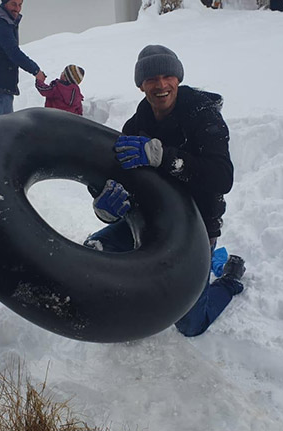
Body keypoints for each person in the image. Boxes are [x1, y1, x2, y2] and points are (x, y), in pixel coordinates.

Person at [85, 45, 246, 337]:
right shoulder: (135, 126)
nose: (161, 85)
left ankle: (229, 279)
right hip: (149, 220)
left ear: (178, 79)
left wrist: (164, 157)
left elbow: (222, 177)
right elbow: (117, 180)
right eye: (151, 79)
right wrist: (104, 206)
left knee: (189, 325)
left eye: (167, 76)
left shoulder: (204, 116)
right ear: (140, 85)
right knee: (95, 249)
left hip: (195, 228)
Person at [0, 0, 46, 116]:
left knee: (5, 114)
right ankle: (0, 133)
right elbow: (13, 53)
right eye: (13, 3)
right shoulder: (1, 24)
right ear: (5, 3)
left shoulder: (2, 19)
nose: (17, 8)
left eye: (20, 5)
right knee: (5, 117)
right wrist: (35, 70)